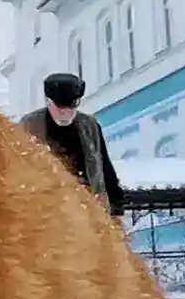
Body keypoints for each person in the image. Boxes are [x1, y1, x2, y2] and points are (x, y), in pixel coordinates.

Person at [20, 71, 123, 211]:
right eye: (61, 108)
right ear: (48, 102)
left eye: (72, 106)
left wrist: (117, 207)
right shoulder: (29, 125)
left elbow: (104, 165)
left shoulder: (89, 125)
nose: (67, 113)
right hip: (46, 209)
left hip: (88, 207)